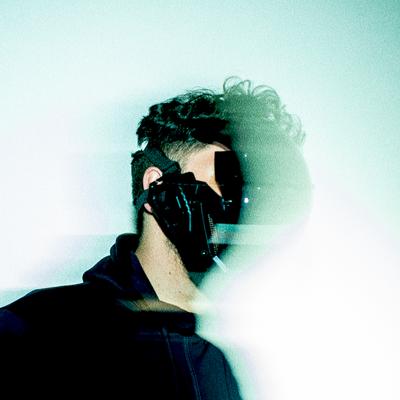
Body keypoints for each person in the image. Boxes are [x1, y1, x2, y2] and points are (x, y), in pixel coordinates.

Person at [0, 77, 311, 398]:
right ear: (157, 186)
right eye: (227, 178)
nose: (242, 207)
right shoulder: (38, 329)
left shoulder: (218, 372)